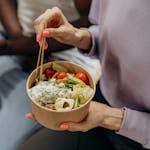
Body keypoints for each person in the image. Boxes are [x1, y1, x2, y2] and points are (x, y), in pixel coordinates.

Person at [26, 0, 150, 149]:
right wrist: (78, 36)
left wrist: (110, 117)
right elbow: (106, 31)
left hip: (139, 136)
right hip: (99, 99)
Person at [0, 1, 101, 150]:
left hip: (64, 55)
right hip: (17, 38)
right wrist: (17, 40)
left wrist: (12, 47)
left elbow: (89, 24)